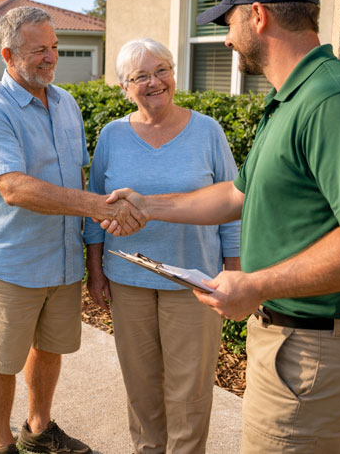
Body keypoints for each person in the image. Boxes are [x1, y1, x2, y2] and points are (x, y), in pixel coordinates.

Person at [103, 0, 340, 452]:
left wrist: (255, 283)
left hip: (316, 348)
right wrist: (148, 204)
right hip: (301, 344)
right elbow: (234, 195)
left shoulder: (334, 100)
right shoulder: (290, 101)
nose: (226, 39)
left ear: (258, 16)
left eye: (228, 23)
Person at [0, 6, 145, 454]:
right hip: (12, 260)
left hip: (63, 258)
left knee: (50, 348)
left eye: (54, 48)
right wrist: (101, 208)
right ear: (7, 54)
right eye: (38, 50)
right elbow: (13, 187)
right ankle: (1, 443)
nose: (50, 58)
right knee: (2, 357)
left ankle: (39, 428)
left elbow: (78, 179)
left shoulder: (66, 103)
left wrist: (93, 257)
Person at [83, 38, 240, 453]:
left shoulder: (207, 131)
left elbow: (233, 207)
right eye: (140, 76)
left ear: (174, 72)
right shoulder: (112, 136)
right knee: (142, 388)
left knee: (189, 395)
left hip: (195, 282)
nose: (154, 82)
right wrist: (95, 270)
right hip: (127, 280)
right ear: (123, 87)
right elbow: (96, 208)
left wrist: (233, 271)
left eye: (161, 70)